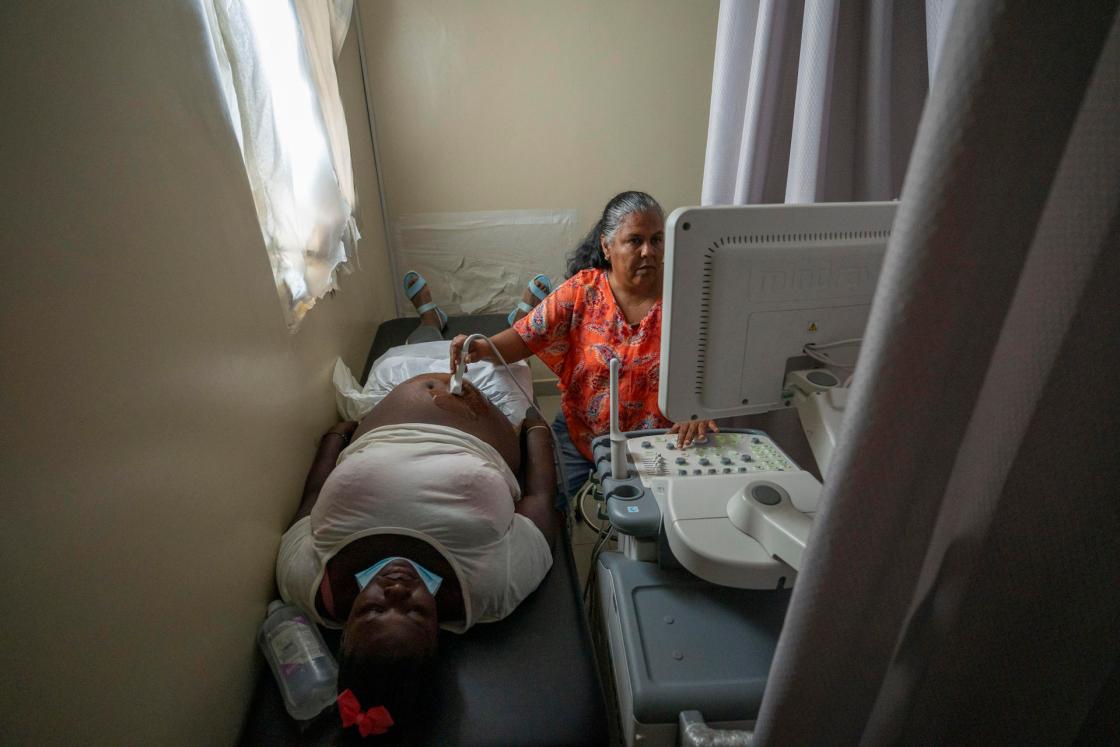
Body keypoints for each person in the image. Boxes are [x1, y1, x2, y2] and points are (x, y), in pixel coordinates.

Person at [275, 277, 560, 739]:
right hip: (487, 402)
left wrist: (334, 438)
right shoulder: (490, 587)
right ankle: (518, 316)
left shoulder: (304, 579)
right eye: (414, 613)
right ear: (439, 634)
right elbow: (540, 500)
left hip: (388, 395)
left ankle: (430, 319)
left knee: (401, 357)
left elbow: (311, 502)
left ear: (345, 629)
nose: (396, 589)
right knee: (497, 356)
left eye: (372, 612)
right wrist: (535, 430)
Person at [450, 190, 718, 496]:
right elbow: (525, 338)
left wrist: (698, 410)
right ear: (607, 246)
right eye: (635, 240)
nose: (649, 251)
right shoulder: (583, 291)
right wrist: (480, 348)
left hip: (660, 442)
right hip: (581, 435)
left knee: (659, 523)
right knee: (542, 501)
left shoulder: (685, 298)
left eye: (656, 240)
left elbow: (713, 363)